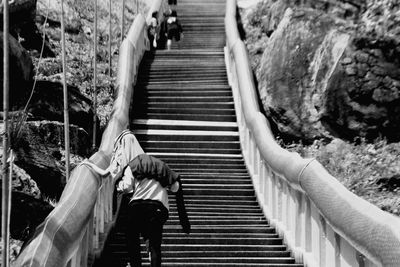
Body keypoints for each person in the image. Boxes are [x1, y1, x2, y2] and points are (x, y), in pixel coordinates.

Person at [82, 131, 190, 267]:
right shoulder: (160, 165)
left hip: (138, 206)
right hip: (158, 209)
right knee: (156, 245)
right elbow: (175, 187)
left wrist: (119, 185)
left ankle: (136, 264)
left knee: (131, 236)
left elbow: (126, 187)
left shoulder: (133, 165)